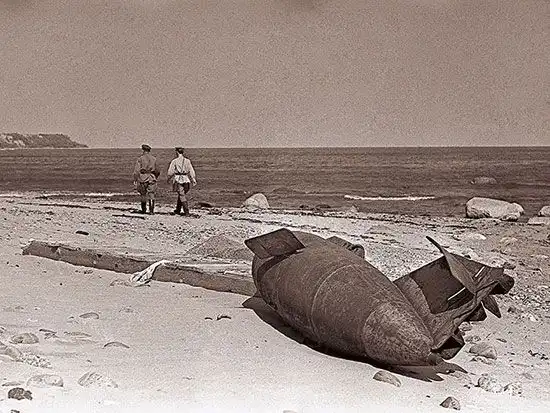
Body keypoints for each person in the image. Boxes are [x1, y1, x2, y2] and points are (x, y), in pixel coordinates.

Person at [167, 147, 197, 216]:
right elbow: (191, 170)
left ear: (177, 152)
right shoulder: (187, 161)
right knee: (181, 195)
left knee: (181, 195)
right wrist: (193, 179)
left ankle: (186, 211)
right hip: (186, 179)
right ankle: (178, 210)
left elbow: (170, 172)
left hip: (178, 179)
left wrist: (168, 179)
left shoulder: (174, 161)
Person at [133, 144, 160, 214]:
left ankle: (143, 210)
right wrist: (155, 177)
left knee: (143, 194)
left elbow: (136, 171)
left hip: (143, 177)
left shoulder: (140, 159)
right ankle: (151, 211)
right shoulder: (154, 159)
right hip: (151, 177)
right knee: (151, 194)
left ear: (143, 150)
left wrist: (135, 179)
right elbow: (157, 171)